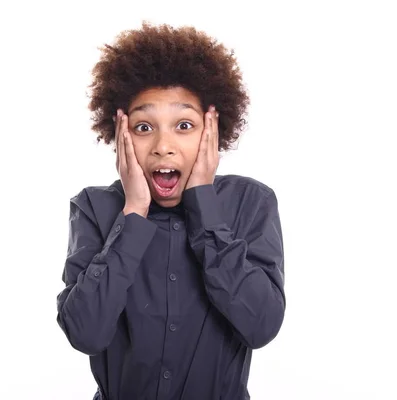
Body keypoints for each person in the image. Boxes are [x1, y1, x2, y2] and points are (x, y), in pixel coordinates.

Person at [56, 21, 285, 400]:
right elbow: (85, 332)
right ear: (121, 135)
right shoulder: (95, 208)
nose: (164, 145)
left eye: (184, 125)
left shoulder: (251, 202)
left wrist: (204, 208)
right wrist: (132, 214)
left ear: (212, 132)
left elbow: (260, 326)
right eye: (144, 127)